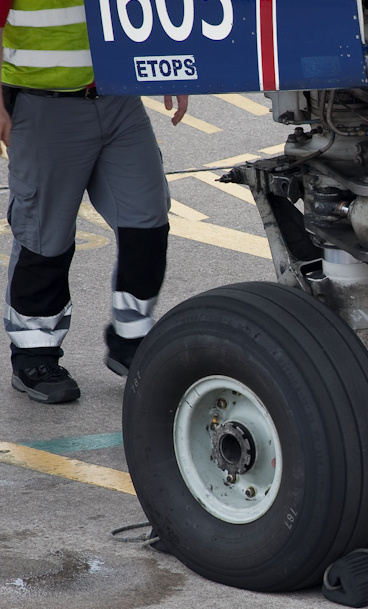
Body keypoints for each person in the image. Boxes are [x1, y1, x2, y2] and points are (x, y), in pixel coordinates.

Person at [0, 0, 187, 403]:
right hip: (43, 101)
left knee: (147, 216)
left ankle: (131, 340)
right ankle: (34, 354)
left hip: (118, 99)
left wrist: (166, 63)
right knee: (44, 236)